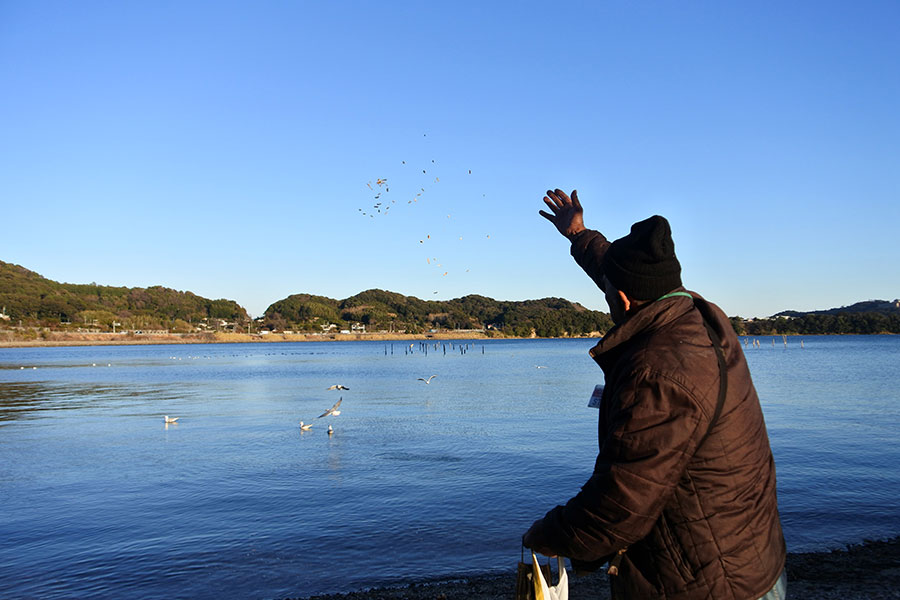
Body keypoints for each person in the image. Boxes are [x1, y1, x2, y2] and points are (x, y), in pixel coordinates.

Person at [523, 189, 787, 599]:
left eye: (609, 290)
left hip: (707, 585)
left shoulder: (658, 374)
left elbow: (621, 503)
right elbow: (621, 273)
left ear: (623, 300)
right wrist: (578, 233)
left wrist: (549, 534)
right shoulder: (694, 312)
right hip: (747, 556)